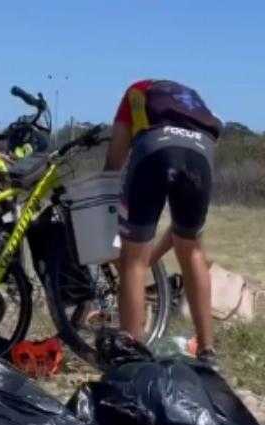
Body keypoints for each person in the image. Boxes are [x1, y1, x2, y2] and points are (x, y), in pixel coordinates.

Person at [104, 79, 222, 364]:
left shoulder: (136, 90)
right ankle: (207, 349)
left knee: (133, 259)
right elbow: (180, 234)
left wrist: (106, 186)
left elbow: (116, 155)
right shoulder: (192, 98)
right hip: (201, 153)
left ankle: (132, 352)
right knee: (192, 249)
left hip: (155, 147)